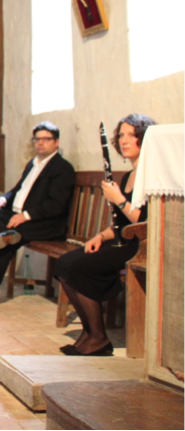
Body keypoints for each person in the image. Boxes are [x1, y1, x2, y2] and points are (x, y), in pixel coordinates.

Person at [54, 114, 156, 356]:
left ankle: (99, 338)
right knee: (65, 263)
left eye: (132, 135)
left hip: (140, 246)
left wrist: (118, 199)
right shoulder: (128, 176)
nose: (124, 140)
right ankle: (90, 332)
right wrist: (100, 236)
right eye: (121, 135)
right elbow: (120, 224)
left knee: (80, 267)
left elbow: (144, 223)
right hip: (124, 241)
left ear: (145, 138)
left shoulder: (152, 176)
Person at [0, 121, 76, 309]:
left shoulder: (62, 168)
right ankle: (3, 233)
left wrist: (26, 216)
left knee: (5, 243)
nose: (40, 143)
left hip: (44, 223)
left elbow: (56, 206)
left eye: (46, 139)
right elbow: (18, 189)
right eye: (37, 139)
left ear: (56, 142)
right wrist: (3, 199)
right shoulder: (33, 164)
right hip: (18, 216)